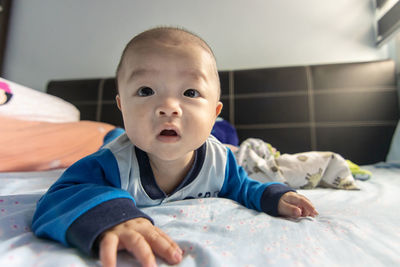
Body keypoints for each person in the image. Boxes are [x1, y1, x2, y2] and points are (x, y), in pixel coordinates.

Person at [32, 27, 318, 267]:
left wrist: (273, 195)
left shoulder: (219, 160)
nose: (168, 107)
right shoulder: (109, 164)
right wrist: (112, 217)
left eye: (190, 93)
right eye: (146, 91)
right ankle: (116, 133)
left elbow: (242, 187)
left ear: (214, 112)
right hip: (119, 143)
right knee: (115, 139)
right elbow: (58, 198)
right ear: (122, 105)